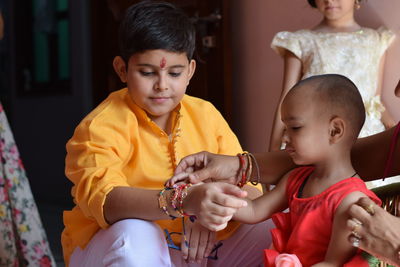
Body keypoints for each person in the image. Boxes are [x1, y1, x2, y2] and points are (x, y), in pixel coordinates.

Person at [62, 1, 271, 266]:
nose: (162, 85)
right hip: (122, 249)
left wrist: (209, 208)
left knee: (276, 224)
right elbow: (106, 201)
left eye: (174, 73)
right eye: (147, 72)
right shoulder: (100, 126)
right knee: (134, 234)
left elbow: (252, 195)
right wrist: (184, 202)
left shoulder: (206, 114)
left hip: (202, 246)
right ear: (122, 70)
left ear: (191, 71)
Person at [169, 74, 382, 266]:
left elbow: (333, 263)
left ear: (334, 130)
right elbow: (253, 210)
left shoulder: (352, 201)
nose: (285, 137)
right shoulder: (297, 179)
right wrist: (209, 193)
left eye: (295, 128)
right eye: (285, 128)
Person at [269, 0, 396, 154]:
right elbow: (286, 98)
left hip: (366, 135)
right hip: (317, 135)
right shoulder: (300, 41)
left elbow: (375, 100)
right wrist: (273, 151)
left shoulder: (375, 39)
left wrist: (393, 129)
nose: (329, 0)